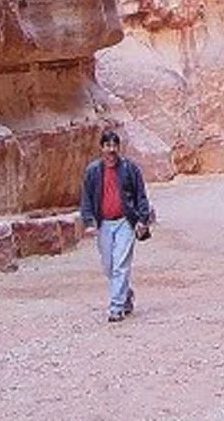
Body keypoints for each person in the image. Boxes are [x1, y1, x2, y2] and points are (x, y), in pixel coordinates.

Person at [79, 129, 152, 323]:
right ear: (101, 148)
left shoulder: (130, 169)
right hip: (104, 223)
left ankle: (116, 307)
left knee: (121, 264)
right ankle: (125, 293)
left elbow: (140, 195)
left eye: (114, 146)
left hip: (125, 222)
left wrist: (142, 219)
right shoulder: (93, 171)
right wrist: (89, 221)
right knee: (108, 266)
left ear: (119, 148)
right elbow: (86, 198)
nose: (111, 150)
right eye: (107, 145)